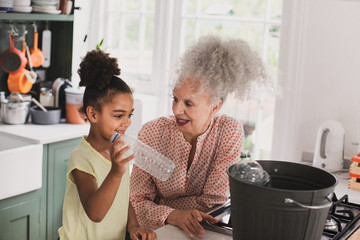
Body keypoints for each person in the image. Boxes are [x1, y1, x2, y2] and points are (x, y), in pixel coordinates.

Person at [130, 35, 270, 239]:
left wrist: (160, 206)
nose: (177, 109)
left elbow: (215, 200)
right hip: (155, 233)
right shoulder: (152, 133)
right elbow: (137, 202)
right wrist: (173, 215)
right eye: (175, 98)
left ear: (215, 106)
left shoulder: (228, 131)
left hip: (202, 231)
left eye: (188, 103)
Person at [58, 49, 156, 240]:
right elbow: (95, 213)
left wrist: (134, 227)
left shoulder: (117, 152)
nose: (127, 122)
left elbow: (122, 197)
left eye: (130, 115)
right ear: (93, 114)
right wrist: (116, 172)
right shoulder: (81, 158)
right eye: (119, 115)